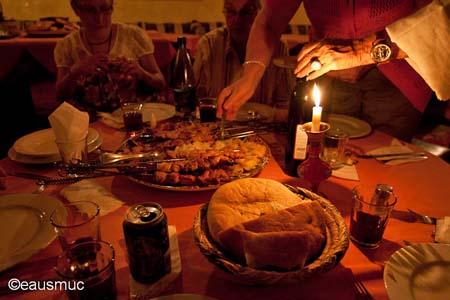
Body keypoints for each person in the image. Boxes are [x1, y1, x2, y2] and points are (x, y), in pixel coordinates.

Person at [217, 0, 450, 141]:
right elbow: (270, 18)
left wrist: (360, 53)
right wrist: (250, 75)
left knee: (384, 164)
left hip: (397, 76)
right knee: (326, 155)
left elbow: (432, 17)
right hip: (328, 72)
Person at [54, 0, 166, 118]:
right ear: (76, 10)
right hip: (89, 125)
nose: (99, 18)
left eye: (104, 8)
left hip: (134, 119)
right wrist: (76, 71)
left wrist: (141, 73)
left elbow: (160, 83)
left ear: (112, 7)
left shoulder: (133, 36)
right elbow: (60, 96)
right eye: (90, 10)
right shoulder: (68, 45)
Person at [193, 0, 291, 108]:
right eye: (231, 11)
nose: (237, 20)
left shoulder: (277, 47)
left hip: (262, 124)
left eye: (246, 12)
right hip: (217, 123)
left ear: (258, 14)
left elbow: (285, 104)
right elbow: (195, 100)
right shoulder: (208, 45)